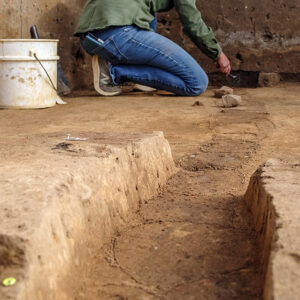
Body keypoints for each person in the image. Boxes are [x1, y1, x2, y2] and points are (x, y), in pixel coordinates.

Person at [75, 0, 231, 96]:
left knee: (150, 14)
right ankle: (114, 71)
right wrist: (217, 53)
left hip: (90, 36)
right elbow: (192, 21)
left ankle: (134, 76)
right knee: (197, 83)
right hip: (118, 34)